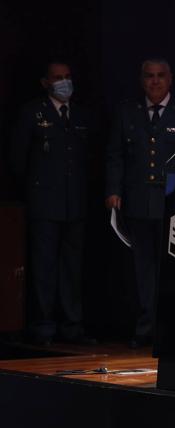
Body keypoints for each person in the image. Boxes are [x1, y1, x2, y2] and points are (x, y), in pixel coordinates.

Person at [105, 58, 175, 348]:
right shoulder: (127, 112)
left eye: (161, 76)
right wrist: (112, 189)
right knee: (143, 270)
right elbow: (115, 155)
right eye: (149, 76)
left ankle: (172, 328)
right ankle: (147, 326)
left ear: (170, 79)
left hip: (174, 204)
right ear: (141, 80)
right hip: (137, 201)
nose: (155, 81)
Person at [10, 61, 95, 346]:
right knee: (44, 268)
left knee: (73, 268)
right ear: (45, 82)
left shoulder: (81, 115)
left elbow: (87, 159)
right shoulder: (32, 113)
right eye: (58, 78)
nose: (64, 82)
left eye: (68, 77)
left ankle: (72, 326)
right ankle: (43, 326)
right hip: (44, 204)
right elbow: (18, 161)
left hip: (76, 203)